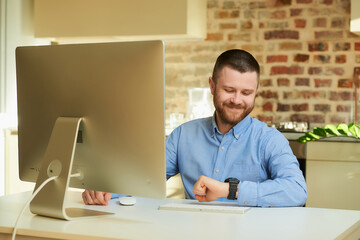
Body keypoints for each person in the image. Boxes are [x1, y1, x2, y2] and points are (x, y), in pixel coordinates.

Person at [82, 49, 308, 207]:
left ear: (256, 91)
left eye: (246, 93)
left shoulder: (269, 140)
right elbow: (145, 177)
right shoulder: (183, 135)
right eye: (229, 90)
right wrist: (107, 188)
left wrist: (229, 190)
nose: (237, 100)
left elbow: (297, 191)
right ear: (212, 85)